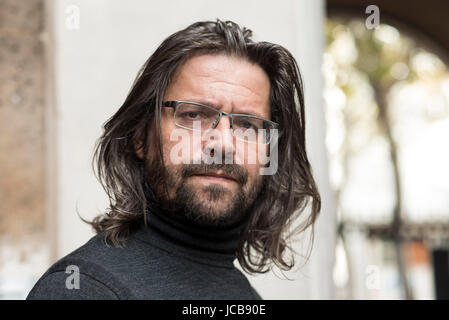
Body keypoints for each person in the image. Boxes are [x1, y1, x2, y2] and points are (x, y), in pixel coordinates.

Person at [27, 19, 321, 300]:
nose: (223, 143)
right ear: (140, 137)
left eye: (247, 125)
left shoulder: (246, 297)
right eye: (193, 115)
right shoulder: (82, 289)